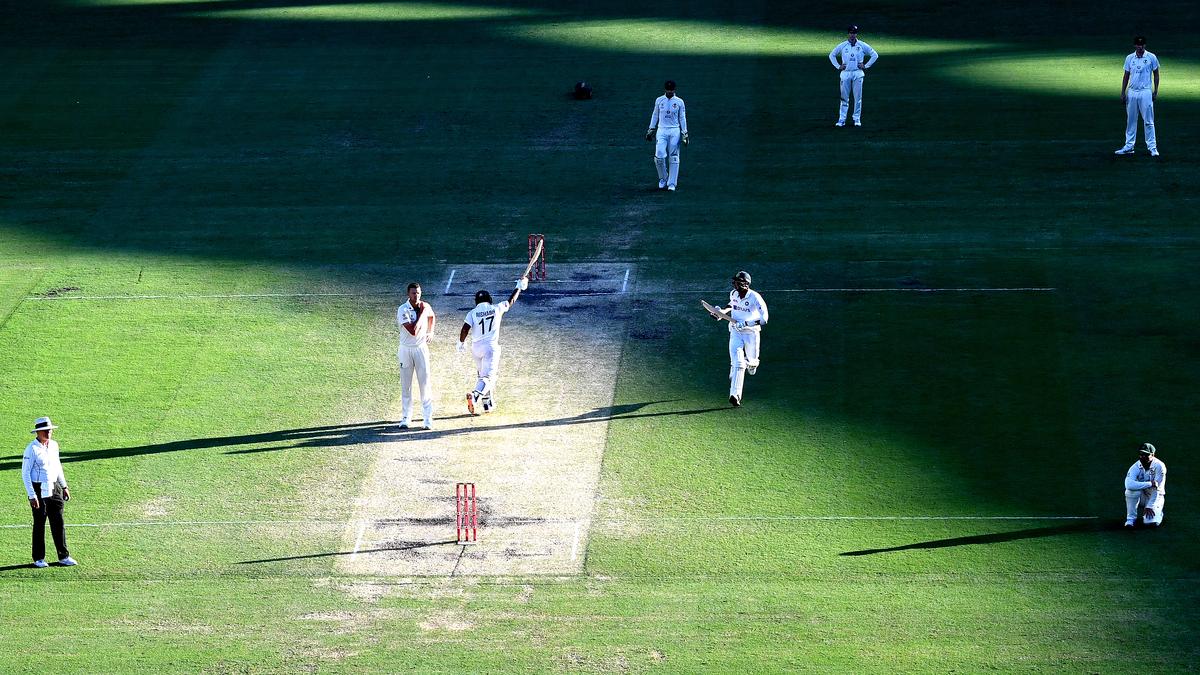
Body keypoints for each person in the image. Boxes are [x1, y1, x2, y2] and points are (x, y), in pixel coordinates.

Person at [458, 277, 528, 415]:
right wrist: (518, 287)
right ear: (489, 299)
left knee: (482, 377)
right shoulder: (496, 308)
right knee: (489, 378)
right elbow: (511, 301)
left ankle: (487, 405)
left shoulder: (472, 313)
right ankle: (475, 396)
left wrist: (461, 343)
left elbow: (465, 329)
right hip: (490, 348)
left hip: (476, 348)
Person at [21, 417, 77, 568]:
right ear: (38, 432)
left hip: (55, 487)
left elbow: (57, 466)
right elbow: (25, 473)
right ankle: (38, 558)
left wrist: (64, 486)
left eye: (50, 429)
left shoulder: (54, 445)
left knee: (58, 521)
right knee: (39, 523)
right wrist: (32, 495)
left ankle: (63, 556)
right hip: (39, 488)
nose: (49, 432)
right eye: (46, 430)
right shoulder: (31, 449)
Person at [712, 271, 768, 407]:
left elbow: (764, 319)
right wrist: (721, 313)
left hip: (751, 334)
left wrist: (748, 323)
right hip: (736, 331)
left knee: (752, 364)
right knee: (739, 363)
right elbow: (732, 305)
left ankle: (751, 365)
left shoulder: (755, 297)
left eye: (737, 281)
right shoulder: (733, 293)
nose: (734, 284)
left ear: (746, 284)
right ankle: (735, 395)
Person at [397, 282, 436, 430]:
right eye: (414, 293)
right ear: (408, 294)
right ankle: (406, 417)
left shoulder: (425, 307)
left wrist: (430, 332)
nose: (417, 295)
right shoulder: (403, 310)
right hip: (406, 350)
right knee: (406, 385)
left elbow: (432, 316)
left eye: (418, 293)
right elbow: (413, 330)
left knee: (424, 384)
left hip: (421, 349)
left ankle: (427, 419)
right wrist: (422, 313)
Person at [1115, 36, 1160, 157]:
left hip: (1145, 92)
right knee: (1131, 120)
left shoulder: (1151, 57)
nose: (1140, 47)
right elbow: (1126, 75)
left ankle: (1152, 148)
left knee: (1149, 121)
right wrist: (1122, 92)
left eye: (1142, 45)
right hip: (1132, 92)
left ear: (1145, 45)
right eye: (1138, 45)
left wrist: (1155, 91)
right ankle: (1129, 146)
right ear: (1135, 45)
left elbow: (1156, 74)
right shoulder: (1129, 58)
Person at [828, 25, 879, 127]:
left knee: (858, 98)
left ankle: (856, 119)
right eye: (851, 33)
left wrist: (865, 65)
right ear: (848, 33)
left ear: (856, 34)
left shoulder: (862, 45)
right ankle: (842, 120)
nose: (852, 35)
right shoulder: (843, 45)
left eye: (854, 33)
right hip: (845, 74)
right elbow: (831, 55)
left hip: (858, 74)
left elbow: (875, 55)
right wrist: (838, 66)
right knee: (844, 98)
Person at [646, 80, 689, 191]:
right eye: (668, 89)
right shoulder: (659, 100)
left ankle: (672, 183)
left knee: (674, 156)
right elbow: (655, 115)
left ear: (674, 89)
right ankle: (663, 178)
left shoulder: (679, 102)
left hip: (674, 130)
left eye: (671, 90)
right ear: (665, 89)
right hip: (662, 130)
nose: (670, 91)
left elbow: (682, 118)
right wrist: (651, 129)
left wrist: (685, 133)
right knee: (659, 155)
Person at [1124, 442, 1166, 528]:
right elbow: (1128, 484)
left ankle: (1159, 512)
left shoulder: (1160, 466)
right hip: (1142, 496)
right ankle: (1130, 519)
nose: (1143, 457)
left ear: (1153, 454)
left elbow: (1157, 489)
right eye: (1141, 454)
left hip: (1155, 497)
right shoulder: (1135, 466)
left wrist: (1150, 505)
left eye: (1146, 455)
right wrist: (1150, 483)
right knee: (1130, 491)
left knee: (1150, 523)